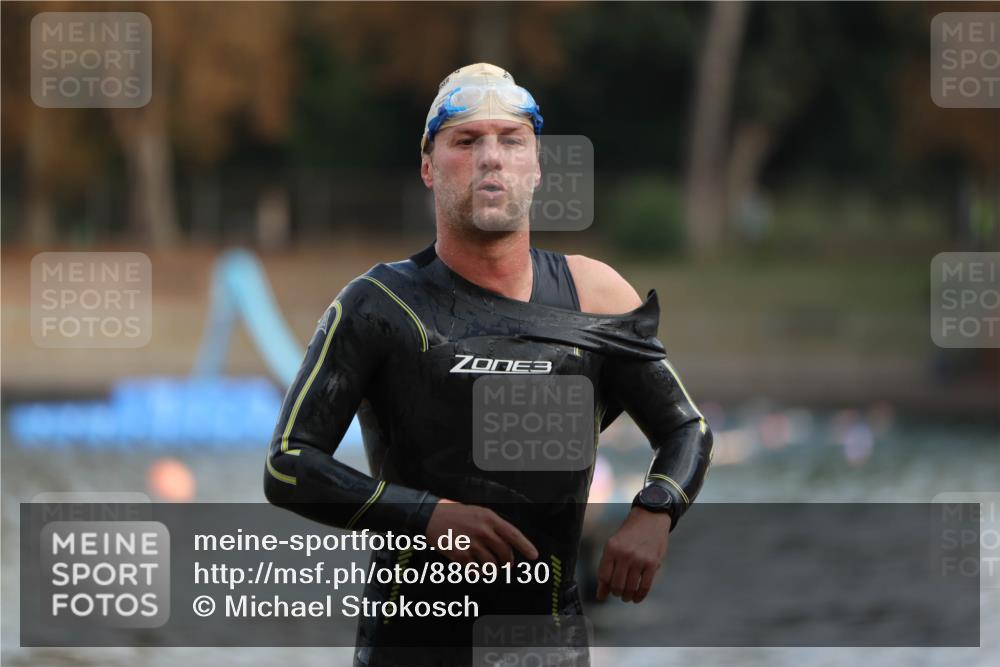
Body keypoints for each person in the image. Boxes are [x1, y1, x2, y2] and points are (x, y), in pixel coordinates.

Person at [264, 62, 713, 666]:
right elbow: (289, 464)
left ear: (536, 167)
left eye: (511, 140)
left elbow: (686, 429)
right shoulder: (379, 305)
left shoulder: (596, 296)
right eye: (466, 141)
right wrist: (427, 516)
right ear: (428, 166)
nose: (491, 158)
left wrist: (656, 510)